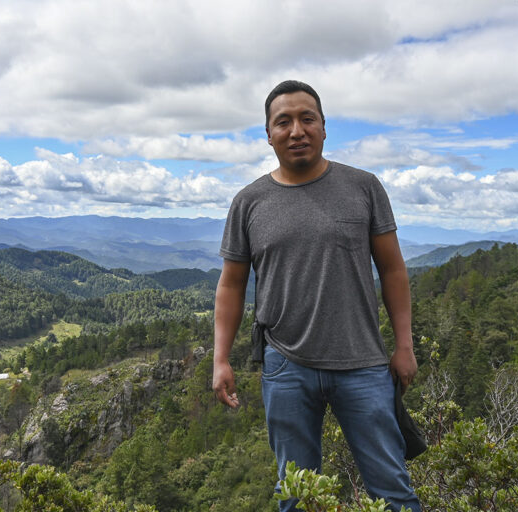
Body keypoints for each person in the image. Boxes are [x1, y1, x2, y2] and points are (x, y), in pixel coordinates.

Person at [212, 80, 421, 512]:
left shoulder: (363, 187)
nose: (296, 130)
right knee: (295, 495)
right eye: (283, 122)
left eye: (307, 118)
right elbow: (231, 284)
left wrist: (404, 346)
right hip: (286, 364)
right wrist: (221, 359)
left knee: (393, 491)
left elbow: (393, 269)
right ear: (268, 134)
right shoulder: (249, 202)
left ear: (324, 127)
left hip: (362, 363)